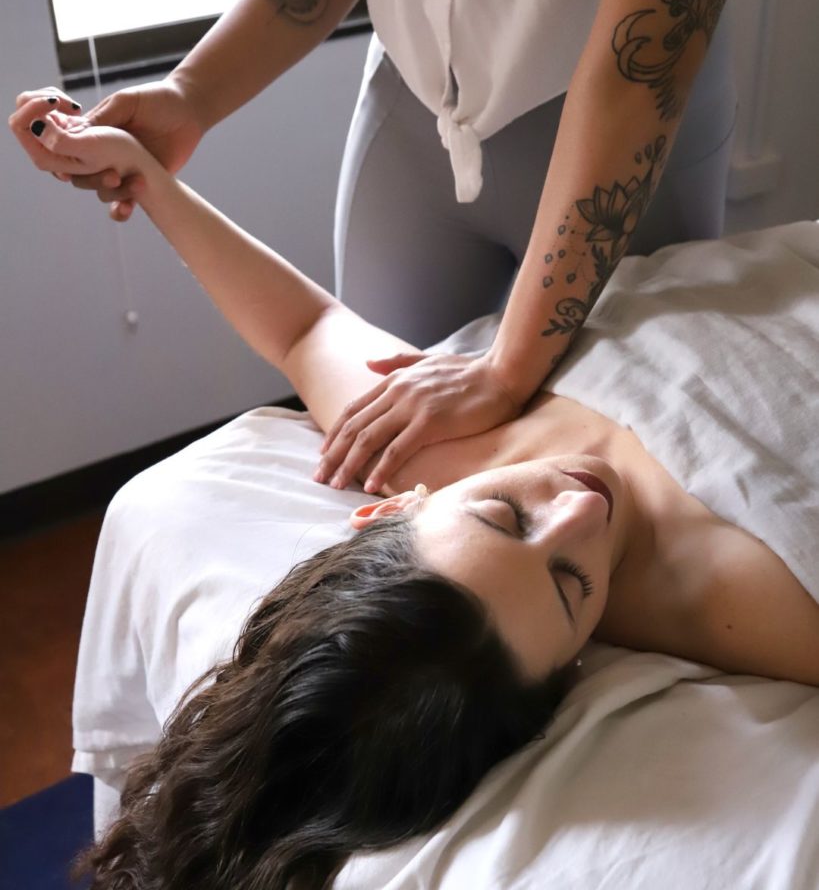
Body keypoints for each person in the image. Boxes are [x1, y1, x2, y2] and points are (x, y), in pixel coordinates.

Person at [20, 111, 818, 889]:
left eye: (506, 517)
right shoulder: (730, 597)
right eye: (573, 588)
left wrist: (146, 176)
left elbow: (303, 330)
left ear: (393, 507)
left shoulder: (421, 444)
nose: (580, 511)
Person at [9, 0, 770, 498]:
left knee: (620, 475)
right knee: (379, 454)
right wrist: (190, 97)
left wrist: (506, 373)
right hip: (412, 113)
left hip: (624, 128)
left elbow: (644, 62)